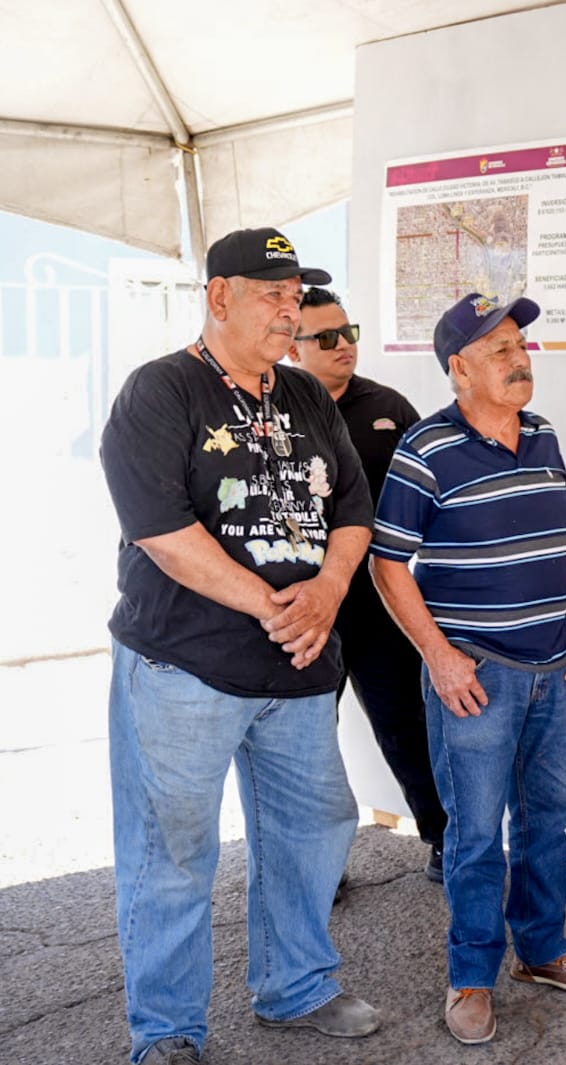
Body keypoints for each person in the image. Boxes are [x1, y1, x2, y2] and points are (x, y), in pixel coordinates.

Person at [100, 227, 380, 1065]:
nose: (289, 312)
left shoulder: (304, 396)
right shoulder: (160, 391)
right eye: (271, 295)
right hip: (183, 666)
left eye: (296, 297)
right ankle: (168, 1029)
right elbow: (159, 529)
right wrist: (274, 605)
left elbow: (354, 510)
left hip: (296, 670)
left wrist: (328, 590)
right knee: (172, 850)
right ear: (219, 296)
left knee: (311, 831)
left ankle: (296, 986)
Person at [370, 292, 566, 1045]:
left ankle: (542, 950)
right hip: (477, 675)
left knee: (549, 816)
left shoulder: (542, 435)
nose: (520, 359)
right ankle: (471, 974)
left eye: (521, 345)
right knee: (476, 832)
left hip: (551, 666)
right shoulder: (425, 448)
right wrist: (440, 657)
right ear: (459, 368)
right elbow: (387, 564)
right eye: (501, 348)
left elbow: (564, 534)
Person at [290, 286, 446, 882]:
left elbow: (428, 494)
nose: (343, 347)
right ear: (292, 349)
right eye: (325, 338)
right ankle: (312, 869)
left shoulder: (388, 406)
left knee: (407, 721)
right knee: (303, 739)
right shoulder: (277, 413)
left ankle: (444, 842)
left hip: (380, 598)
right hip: (305, 603)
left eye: (348, 332)